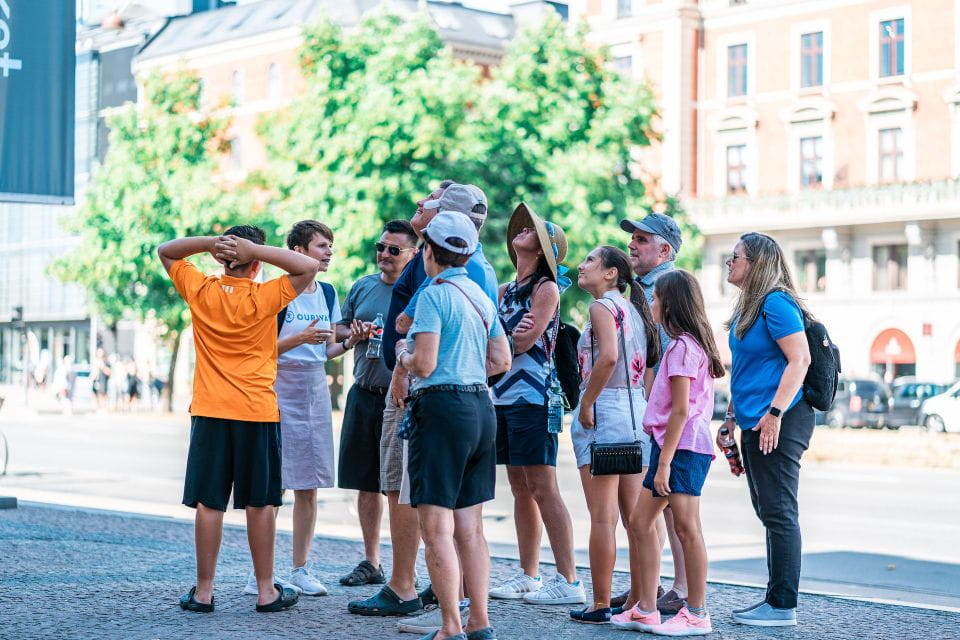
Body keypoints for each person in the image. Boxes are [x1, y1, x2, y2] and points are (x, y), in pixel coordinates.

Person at [158, 225, 318, 614]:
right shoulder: (266, 295)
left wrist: (212, 244)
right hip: (256, 412)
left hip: (210, 411)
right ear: (255, 264)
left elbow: (167, 250)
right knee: (260, 502)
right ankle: (266, 591)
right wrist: (255, 250)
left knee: (209, 502)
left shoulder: (202, 290)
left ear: (221, 260)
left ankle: (203, 592)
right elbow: (308, 266)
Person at [394, 211, 511, 640]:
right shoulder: (480, 295)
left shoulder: (433, 295)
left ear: (429, 251)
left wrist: (404, 355)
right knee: (471, 528)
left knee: (436, 527)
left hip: (441, 408)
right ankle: (480, 620)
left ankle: (450, 625)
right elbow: (502, 360)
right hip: (480, 406)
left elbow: (423, 363)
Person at [250, 220, 365, 598]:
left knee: (309, 484)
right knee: (275, 483)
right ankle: (260, 573)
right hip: (279, 385)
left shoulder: (328, 292)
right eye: (321, 246)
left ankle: (300, 568)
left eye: (330, 246)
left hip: (314, 388)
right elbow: (260, 349)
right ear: (298, 252)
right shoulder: (276, 291)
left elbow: (326, 349)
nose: (328, 252)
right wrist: (299, 337)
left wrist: (349, 343)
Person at [612, 270, 724, 635]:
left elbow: (680, 411)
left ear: (671, 304)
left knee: (687, 528)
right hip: (673, 445)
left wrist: (663, 463)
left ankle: (697, 613)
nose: (652, 304)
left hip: (683, 448)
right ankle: (646, 608)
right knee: (640, 523)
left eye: (656, 298)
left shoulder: (682, 348)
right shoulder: (686, 345)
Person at [487, 204, 584, 605]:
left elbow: (523, 342)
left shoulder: (546, 289)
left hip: (532, 397)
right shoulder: (504, 290)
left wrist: (503, 340)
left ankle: (570, 580)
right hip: (502, 396)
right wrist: (508, 339)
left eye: (533, 231)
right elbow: (499, 341)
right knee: (519, 488)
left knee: (543, 487)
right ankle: (529, 575)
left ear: (544, 249)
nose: (522, 231)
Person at [723, 232, 812, 627]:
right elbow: (747, 370)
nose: (729, 262)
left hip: (781, 419)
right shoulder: (751, 306)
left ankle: (781, 606)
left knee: (779, 512)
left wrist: (775, 413)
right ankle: (775, 601)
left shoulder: (776, 303)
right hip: (755, 419)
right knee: (768, 510)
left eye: (736, 256)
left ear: (756, 263)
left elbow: (800, 359)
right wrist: (730, 417)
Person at [568, 246, 659, 625]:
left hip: (605, 410)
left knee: (603, 518)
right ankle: (639, 598)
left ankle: (600, 602)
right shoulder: (634, 309)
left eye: (590, 260)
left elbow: (607, 357)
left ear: (611, 273)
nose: (581, 265)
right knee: (635, 518)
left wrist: (587, 402)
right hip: (636, 411)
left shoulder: (601, 307)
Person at [336, 219, 419, 589]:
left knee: (399, 486)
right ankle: (372, 561)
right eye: (381, 247)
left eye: (394, 249)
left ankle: (406, 570)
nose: (384, 254)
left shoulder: (418, 290)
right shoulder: (363, 286)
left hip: (401, 400)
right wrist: (353, 333)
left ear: (413, 254)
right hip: (364, 393)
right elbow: (339, 328)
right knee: (365, 482)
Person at [619, 212, 688, 615]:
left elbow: (669, 354)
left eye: (642, 239)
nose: (632, 244)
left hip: (663, 412)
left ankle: (680, 589)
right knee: (655, 501)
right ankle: (648, 586)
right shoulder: (640, 287)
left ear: (664, 250)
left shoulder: (669, 287)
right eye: (633, 238)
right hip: (651, 410)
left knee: (674, 501)